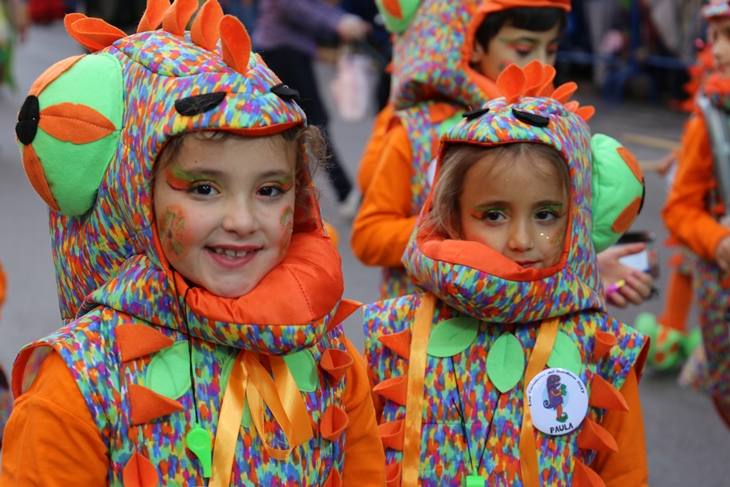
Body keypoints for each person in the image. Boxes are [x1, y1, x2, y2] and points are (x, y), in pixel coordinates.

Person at [0, 0, 384, 484]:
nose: (243, 221)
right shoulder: (80, 385)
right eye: (204, 188)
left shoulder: (325, 352)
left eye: (270, 190)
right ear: (134, 193)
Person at [364, 63, 650, 486]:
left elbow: (625, 475)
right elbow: (357, 463)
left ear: (577, 217)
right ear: (451, 216)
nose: (521, 240)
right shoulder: (394, 333)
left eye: (546, 215)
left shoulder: (603, 349)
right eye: (494, 215)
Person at [351, 0, 653, 305]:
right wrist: (459, 226)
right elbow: (368, 237)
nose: (541, 63)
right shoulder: (415, 130)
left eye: (551, 49)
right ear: (475, 45)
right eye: (523, 49)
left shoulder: (549, 133)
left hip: (526, 327)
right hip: (433, 327)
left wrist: (588, 264)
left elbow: (546, 232)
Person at [662, 0, 730, 428]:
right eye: (717, 37)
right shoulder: (710, 120)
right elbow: (681, 208)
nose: (718, 50)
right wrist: (718, 240)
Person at [253, 0, 370, 217]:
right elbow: (296, 6)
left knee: (301, 124)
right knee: (310, 122)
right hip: (282, 51)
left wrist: (341, 20)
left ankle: (301, 196)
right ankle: (340, 192)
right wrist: (339, 22)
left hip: (287, 50)